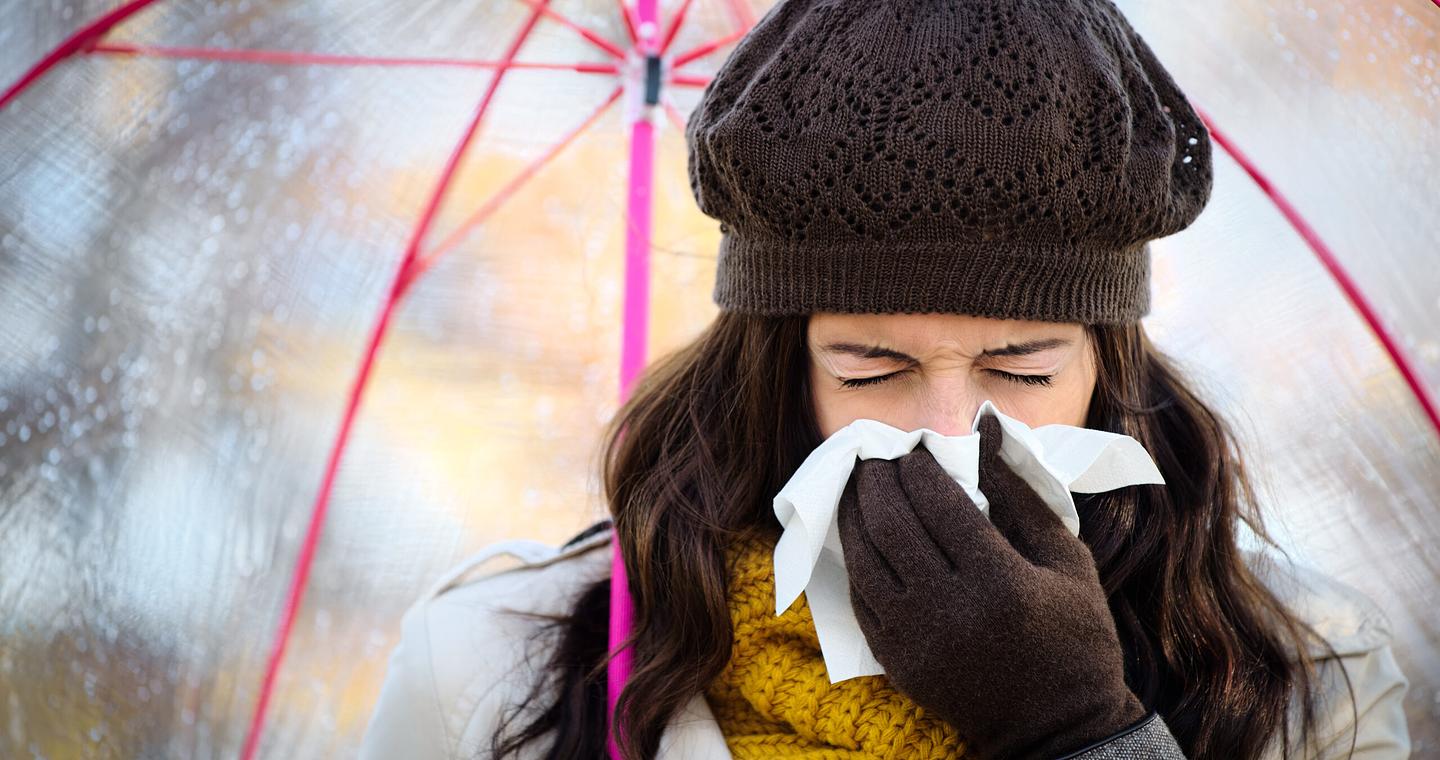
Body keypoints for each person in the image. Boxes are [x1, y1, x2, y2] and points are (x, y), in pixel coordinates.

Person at [357, 0, 1412, 758]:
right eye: (872, 365)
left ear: (1109, 366)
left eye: (1021, 366)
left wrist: (1083, 731)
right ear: (777, 368)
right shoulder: (497, 673)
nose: (948, 431)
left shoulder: (1309, 680)